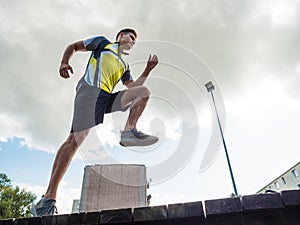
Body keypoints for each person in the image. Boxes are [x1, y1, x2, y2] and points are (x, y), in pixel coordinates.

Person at [31, 28, 159, 216]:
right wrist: (64, 62)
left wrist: (147, 69)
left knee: (143, 92)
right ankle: (47, 199)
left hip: (106, 97)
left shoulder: (125, 65)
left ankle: (128, 132)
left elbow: (132, 87)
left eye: (135, 40)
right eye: (130, 37)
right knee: (76, 139)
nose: (132, 41)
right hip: (90, 91)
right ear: (120, 36)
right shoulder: (102, 43)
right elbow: (73, 46)